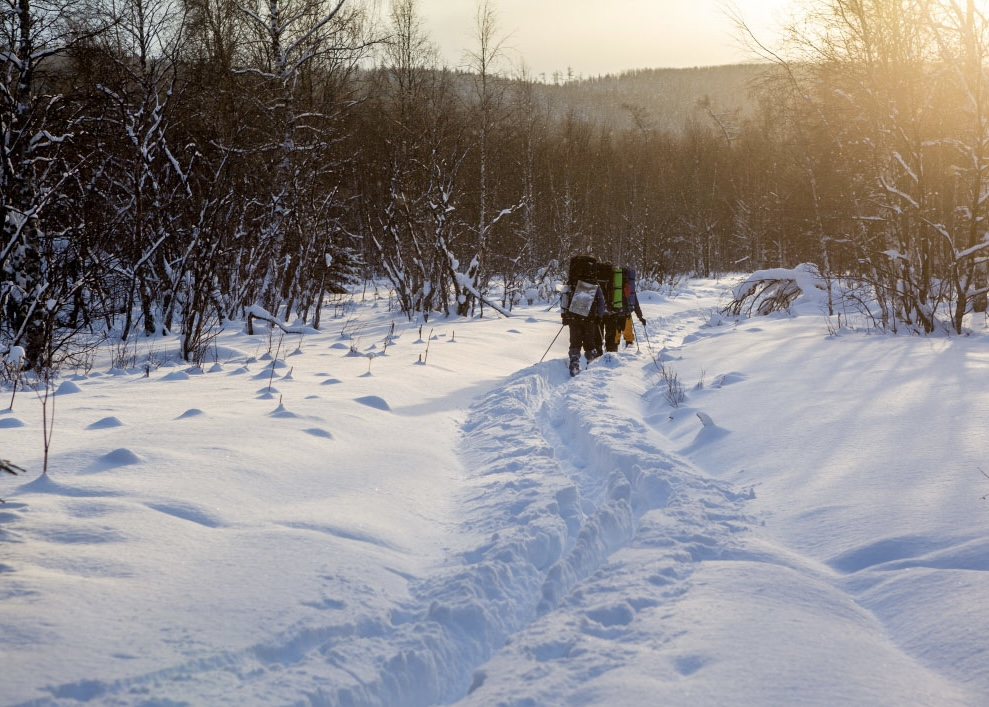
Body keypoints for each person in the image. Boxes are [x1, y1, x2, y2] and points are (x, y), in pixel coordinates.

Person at [561, 257, 607, 377]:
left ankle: (575, 362)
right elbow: (601, 301)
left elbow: (564, 298)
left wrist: (564, 315)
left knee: (575, 342)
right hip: (589, 318)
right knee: (589, 343)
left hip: (573, 317)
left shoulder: (572, 282)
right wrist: (599, 316)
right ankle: (591, 365)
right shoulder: (593, 283)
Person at [620, 267, 646, 347]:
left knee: (615, 336)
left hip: (616, 314)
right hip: (627, 313)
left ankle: (612, 350)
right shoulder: (630, 288)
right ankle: (629, 347)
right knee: (628, 334)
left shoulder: (616, 287)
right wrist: (640, 317)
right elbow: (636, 304)